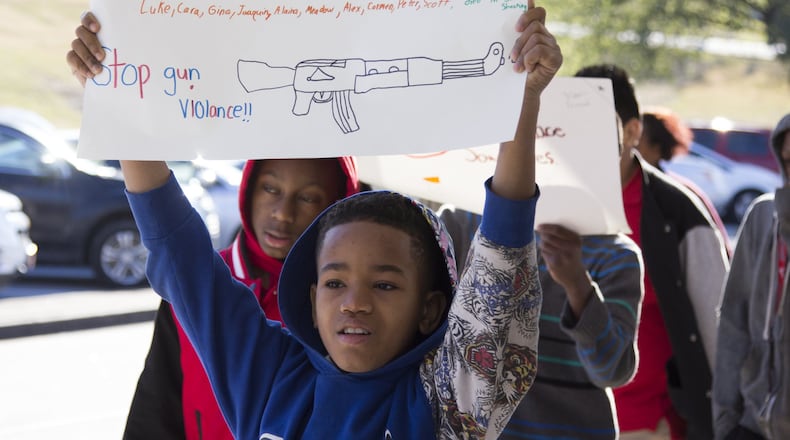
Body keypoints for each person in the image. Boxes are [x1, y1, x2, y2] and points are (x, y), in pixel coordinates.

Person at [68, 2, 562, 438]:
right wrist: (116, 90)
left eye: (385, 285)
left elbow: (500, 268)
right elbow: (179, 250)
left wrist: (522, 101)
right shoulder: (269, 376)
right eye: (334, 282)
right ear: (310, 296)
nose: (355, 303)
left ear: (430, 310)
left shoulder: (445, 403)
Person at [69, 15, 363, 440]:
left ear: (337, 206)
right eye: (270, 189)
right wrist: (113, 92)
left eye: (308, 198)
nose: (282, 213)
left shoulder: (353, 305)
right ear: (249, 187)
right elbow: (155, 410)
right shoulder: (196, 288)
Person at [576, 64, 729, 440]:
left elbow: (718, 326)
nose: (583, 141)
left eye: (597, 126)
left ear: (632, 131)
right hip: (562, 420)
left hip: (649, 424)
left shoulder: (677, 210)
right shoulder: (544, 200)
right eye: (574, 127)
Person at [713, 112, 790, 440]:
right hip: (751, 424)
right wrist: (726, 421)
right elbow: (734, 322)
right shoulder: (762, 215)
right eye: (787, 160)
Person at [637, 107, 732, 257]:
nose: (629, 146)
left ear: (657, 147)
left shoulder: (682, 194)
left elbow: (718, 252)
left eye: (637, 140)